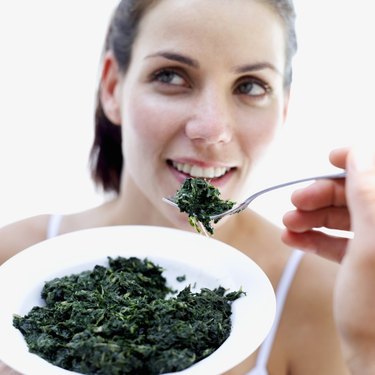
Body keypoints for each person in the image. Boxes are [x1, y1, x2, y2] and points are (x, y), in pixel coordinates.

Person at [0, 0, 352, 374]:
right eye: (170, 76)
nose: (211, 129)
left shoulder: (329, 297)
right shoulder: (11, 263)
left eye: (250, 86)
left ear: (283, 110)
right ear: (112, 88)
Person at [282, 146, 375, 375]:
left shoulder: (328, 286)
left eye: (254, 105)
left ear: (284, 112)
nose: (210, 130)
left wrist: (368, 354)